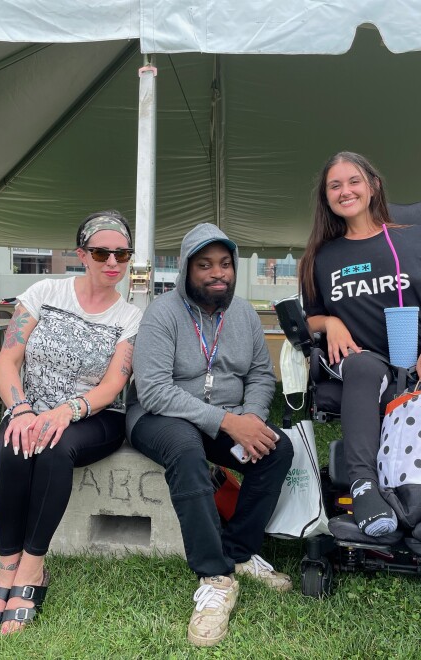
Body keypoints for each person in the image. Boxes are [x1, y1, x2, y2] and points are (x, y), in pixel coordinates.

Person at [298, 151, 421, 560]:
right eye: (334, 186)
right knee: (363, 368)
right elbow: (311, 316)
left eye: (353, 181)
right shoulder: (323, 256)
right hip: (368, 359)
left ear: (372, 186)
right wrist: (329, 324)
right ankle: (365, 488)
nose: (345, 191)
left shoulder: (417, 239)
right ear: (326, 197)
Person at [0, 211, 142, 635]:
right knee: (14, 444)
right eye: (102, 252)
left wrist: (66, 412)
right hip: (31, 406)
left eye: (122, 253)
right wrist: (22, 409)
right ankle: (5, 570)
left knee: (53, 444)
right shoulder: (45, 291)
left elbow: (112, 385)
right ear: (82, 254)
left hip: (93, 416)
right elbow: (9, 359)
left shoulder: (130, 316)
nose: (113, 262)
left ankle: (32, 569)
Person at [127, 223, 294, 648]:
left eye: (224, 264)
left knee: (277, 449)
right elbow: (153, 389)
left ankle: (238, 552)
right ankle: (214, 576)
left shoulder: (244, 315)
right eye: (204, 265)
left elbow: (260, 375)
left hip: (228, 416)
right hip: (159, 416)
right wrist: (226, 422)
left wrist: (251, 421)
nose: (217, 273)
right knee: (185, 449)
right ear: (186, 269)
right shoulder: (162, 313)